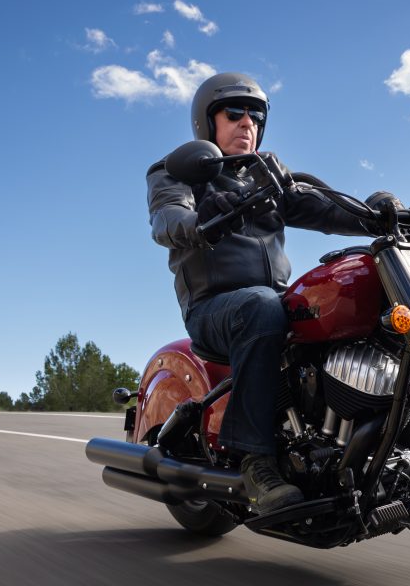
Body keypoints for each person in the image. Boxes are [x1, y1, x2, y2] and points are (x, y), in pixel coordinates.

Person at [146, 72, 378, 513]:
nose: (246, 122)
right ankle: (255, 460)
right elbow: (166, 218)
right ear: (206, 123)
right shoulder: (177, 172)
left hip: (272, 305)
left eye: (255, 116)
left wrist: (381, 213)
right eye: (234, 113)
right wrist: (200, 220)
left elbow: (325, 209)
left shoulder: (268, 178)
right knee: (262, 306)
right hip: (215, 308)